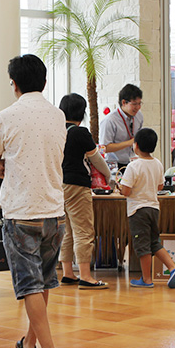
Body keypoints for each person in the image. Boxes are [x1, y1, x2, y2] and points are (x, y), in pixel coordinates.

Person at [0, 54, 67, 348]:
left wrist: (8, 166)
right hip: (54, 213)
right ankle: (30, 343)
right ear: (44, 82)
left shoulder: (5, 117)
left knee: (30, 286)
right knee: (44, 280)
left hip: (21, 213)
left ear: (14, 84)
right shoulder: (58, 116)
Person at [58, 93, 113, 290]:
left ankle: (67, 273)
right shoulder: (80, 133)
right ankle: (86, 277)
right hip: (76, 185)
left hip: (57, 185)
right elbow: (96, 159)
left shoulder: (55, 131)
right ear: (82, 113)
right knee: (83, 230)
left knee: (67, 230)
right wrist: (109, 177)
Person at [119, 128, 175, 289]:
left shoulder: (133, 166)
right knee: (154, 242)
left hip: (137, 211)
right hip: (154, 208)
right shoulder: (157, 163)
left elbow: (126, 191)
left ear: (136, 146)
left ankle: (146, 279)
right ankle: (173, 267)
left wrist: (119, 186)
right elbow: (160, 185)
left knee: (142, 245)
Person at [99, 84, 143, 168]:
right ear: (123, 102)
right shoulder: (110, 120)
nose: (138, 107)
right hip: (114, 165)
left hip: (134, 162)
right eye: (134, 104)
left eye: (139, 103)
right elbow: (104, 148)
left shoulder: (139, 116)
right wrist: (129, 143)